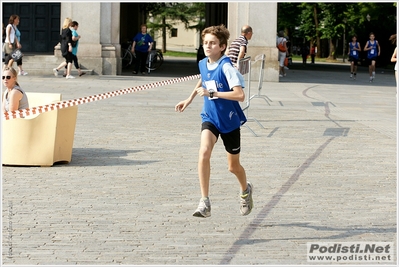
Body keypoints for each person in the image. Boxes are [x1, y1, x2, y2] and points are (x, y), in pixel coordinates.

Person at [174, 24, 253, 218]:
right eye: (205, 43)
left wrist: (213, 93)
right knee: (204, 152)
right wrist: (189, 99)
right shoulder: (203, 63)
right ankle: (204, 202)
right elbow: (203, 79)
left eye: (213, 43)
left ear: (223, 46)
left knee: (233, 167)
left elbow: (240, 95)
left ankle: (245, 191)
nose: (208, 46)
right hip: (210, 117)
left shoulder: (227, 67)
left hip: (229, 121)